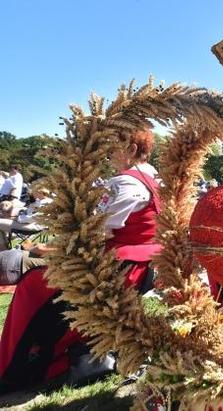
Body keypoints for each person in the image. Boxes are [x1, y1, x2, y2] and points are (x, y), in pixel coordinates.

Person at [0, 129, 161, 392]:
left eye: (113, 146)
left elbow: (93, 231)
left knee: (34, 284)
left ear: (132, 149)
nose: (108, 153)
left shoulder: (126, 183)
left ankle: (18, 370)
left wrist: (51, 249)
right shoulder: (152, 179)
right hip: (135, 267)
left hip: (118, 267)